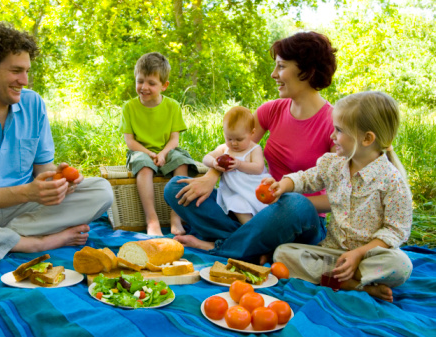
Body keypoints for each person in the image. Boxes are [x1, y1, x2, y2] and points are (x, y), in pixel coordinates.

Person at [0, 21, 113, 260]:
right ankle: (31, 243)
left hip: (22, 212)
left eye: (26, 71)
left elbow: (42, 168)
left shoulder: (33, 103)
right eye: (16, 71)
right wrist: (27, 193)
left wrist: (57, 181)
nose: (24, 80)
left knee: (101, 190)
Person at [164, 31, 337, 262]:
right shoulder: (271, 110)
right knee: (176, 188)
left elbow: (339, 197)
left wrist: (281, 197)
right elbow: (236, 146)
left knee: (296, 203)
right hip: (252, 207)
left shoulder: (334, 123)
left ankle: (218, 247)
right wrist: (211, 176)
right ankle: (258, 249)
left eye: (281, 66)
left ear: (307, 71)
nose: (273, 74)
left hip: (298, 220)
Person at [271, 91, 413, 302]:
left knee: (402, 265)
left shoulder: (391, 180)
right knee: (282, 254)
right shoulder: (333, 164)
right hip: (332, 253)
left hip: (368, 256)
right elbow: (306, 178)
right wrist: (282, 185)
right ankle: (355, 285)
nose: (332, 136)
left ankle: (340, 279)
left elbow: (396, 230)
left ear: (367, 139)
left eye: (338, 130)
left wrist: (358, 255)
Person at [120, 52, 197, 236]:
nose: (144, 87)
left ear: (164, 86)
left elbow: (174, 139)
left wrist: (162, 154)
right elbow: (130, 141)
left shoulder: (172, 106)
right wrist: (150, 154)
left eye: (151, 83)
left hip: (167, 149)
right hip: (140, 150)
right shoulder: (129, 107)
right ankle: (152, 219)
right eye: (140, 81)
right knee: (144, 166)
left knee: (181, 161)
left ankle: (175, 215)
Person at [203, 106, 271, 225]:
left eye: (239, 139)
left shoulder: (254, 149)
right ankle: (247, 228)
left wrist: (239, 164)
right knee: (236, 203)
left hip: (252, 190)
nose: (233, 143)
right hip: (233, 192)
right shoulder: (225, 148)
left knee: (250, 207)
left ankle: (254, 227)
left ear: (252, 133)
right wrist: (214, 163)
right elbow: (206, 158)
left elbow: (258, 168)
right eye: (229, 138)